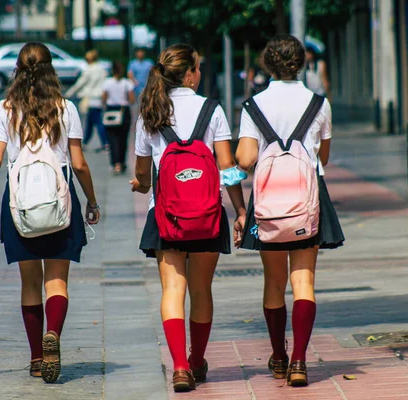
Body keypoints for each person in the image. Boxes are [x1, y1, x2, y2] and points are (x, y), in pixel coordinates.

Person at [0, 43, 101, 384]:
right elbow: (79, 163)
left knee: (30, 283)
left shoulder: (5, 109)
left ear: (17, 71)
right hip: (60, 201)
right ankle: (54, 333)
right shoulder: (65, 108)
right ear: (51, 70)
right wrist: (92, 202)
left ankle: (37, 358)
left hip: (20, 204)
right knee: (57, 281)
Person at [130, 44, 246, 392]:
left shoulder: (151, 111)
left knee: (173, 288)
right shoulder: (212, 109)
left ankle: (179, 367)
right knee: (201, 289)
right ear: (192, 73)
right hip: (207, 214)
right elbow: (227, 168)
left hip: (166, 215)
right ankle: (197, 360)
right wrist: (240, 210)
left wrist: (140, 184)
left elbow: (143, 175)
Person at [236, 35, 344, 388]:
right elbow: (322, 157)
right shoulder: (319, 103)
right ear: (302, 63)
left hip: (268, 204)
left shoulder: (253, 105)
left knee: (274, 281)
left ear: (268, 64)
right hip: (307, 200)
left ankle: (278, 357)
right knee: (304, 280)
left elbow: (246, 159)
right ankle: (299, 360)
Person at [65, 49, 109, 152]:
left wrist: (68, 94)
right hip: (99, 98)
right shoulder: (102, 70)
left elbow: (80, 84)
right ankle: (86, 142)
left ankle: (104, 142)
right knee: (91, 121)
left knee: (97, 121)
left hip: (90, 98)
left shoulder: (88, 70)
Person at [102, 61, 135, 175]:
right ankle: (121, 162)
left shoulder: (107, 82)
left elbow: (104, 98)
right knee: (123, 138)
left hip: (111, 110)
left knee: (112, 139)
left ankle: (114, 163)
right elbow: (131, 99)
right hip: (123, 110)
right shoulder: (127, 83)